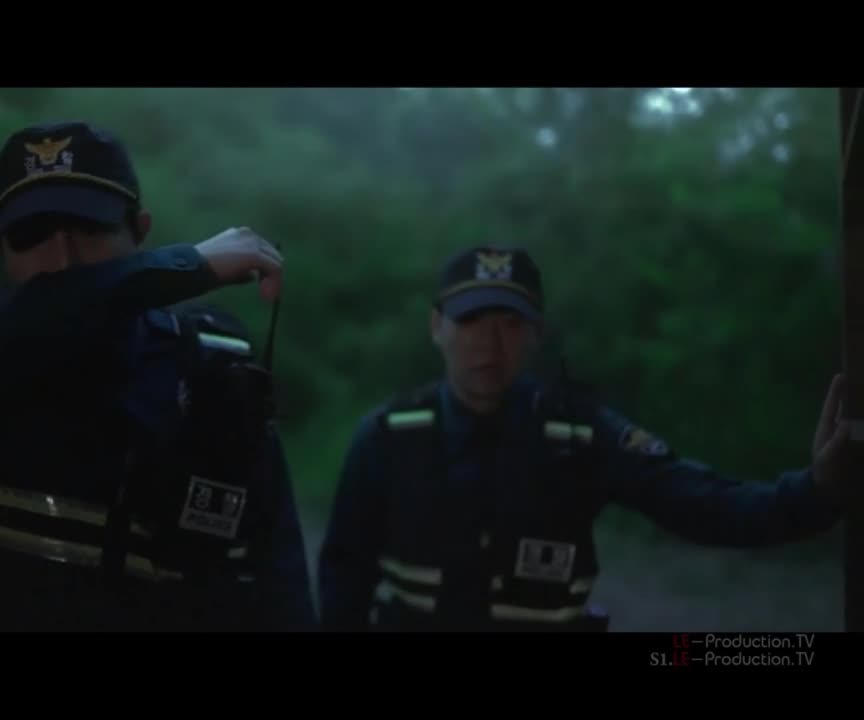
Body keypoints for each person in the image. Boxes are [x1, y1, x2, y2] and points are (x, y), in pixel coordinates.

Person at [317, 245, 851, 632]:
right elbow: (343, 581)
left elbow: (704, 504)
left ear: (535, 334)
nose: (489, 343)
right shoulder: (389, 440)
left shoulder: (578, 436)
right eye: (471, 320)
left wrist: (816, 491)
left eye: (509, 323)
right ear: (437, 327)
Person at [0, 121, 315, 632]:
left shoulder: (211, 365)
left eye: (90, 229)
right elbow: (48, 312)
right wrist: (190, 265)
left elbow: (278, 573)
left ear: (141, 231)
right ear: (1, 248)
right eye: (31, 236)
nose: (63, 259)